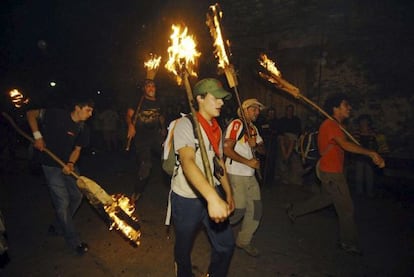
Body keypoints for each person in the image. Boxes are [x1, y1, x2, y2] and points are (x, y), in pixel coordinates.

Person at [286, 93, 385, 255]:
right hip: (331, 173)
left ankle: (294, 210)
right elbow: (344, 145)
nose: (349, 108)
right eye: (345, 105)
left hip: (332, 171)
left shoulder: (338, 126)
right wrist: (371, 153)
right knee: (346, 208)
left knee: (323, 199)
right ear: (335, 108)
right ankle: (348, 243)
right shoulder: (330, 125)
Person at [168, 78, 235, 277]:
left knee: (226, 245)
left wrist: (228, 194)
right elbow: (188, 162)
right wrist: (212, 198)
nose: (221, 103)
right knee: (184, 248)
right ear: (199, 98)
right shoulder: (185, 124)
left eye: (223, 99)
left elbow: (219, 163)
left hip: (212, 194)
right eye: (216, 98)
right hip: (187, 199)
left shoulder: (217, 127)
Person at [26, 99, 94, 255]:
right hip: (50, 165)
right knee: (62, 202)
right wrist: (38, 137)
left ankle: (58, 225)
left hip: (67, 164)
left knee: (77, 196)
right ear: (77, 107)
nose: (90, 114)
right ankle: (74, 242)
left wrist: (70, 163)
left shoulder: (83, 128)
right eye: (88, 110)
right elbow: (30, 114)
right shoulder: (56, 114)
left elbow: (77, 150)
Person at [223, 98, 266, 257]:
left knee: (256, 209)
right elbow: (227, 149)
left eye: (258, 109)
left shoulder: (253, 128)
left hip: (250, 175)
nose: (257, 112)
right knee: (239, 210)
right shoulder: (237, 124)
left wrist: (256, 144)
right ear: (245, 110)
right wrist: (248, 161)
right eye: (254, 108)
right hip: (236, 173)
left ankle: (243, 241)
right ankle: (216, 226)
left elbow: (263, 149)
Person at [126, 79, 166, 201]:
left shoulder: (159, 102)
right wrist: (131, 126)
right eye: (148, 86)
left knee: (169, 155)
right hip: (142, 139)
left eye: (153, 86)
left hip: (155, 136)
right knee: (146, 165)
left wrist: (163, 128)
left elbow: (161, 116)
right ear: (144, 89)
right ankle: (137, 193)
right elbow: (128, 115)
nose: (151, 88)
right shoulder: (138, 102)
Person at [277, 104, 303, 184]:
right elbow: (279, 132)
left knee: (292, 139)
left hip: (293, 138)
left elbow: (299, 131)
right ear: (286, 111)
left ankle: (286, 157)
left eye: (291, 110)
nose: (289, 112)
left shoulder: (296, 120)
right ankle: (286, 156)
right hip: (284, 138)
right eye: (288, 110)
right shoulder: (282, 120)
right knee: (281, 139)